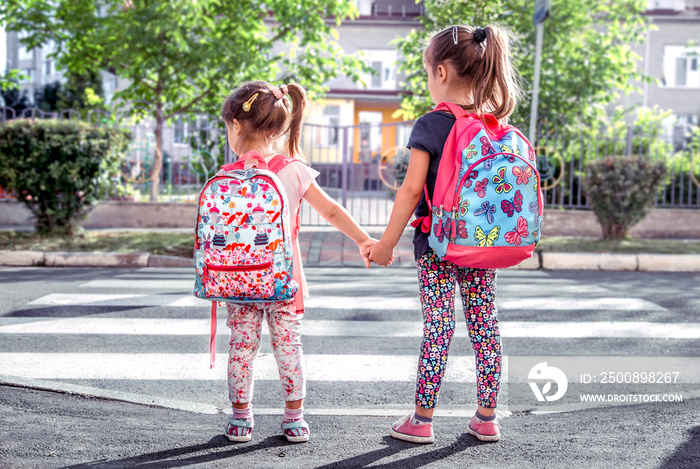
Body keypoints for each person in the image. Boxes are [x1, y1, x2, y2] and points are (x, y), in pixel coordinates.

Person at [368, 24, 523, 444]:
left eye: (426, 74)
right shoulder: (495, 125)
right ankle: (487, 416)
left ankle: (421, 420)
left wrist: (385, 245)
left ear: (440, 72)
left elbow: (411, 190)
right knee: (485, 323)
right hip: (483, 244)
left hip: (437, 245)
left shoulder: (432, 125)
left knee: (438, 327)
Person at [220, 81, 377, 443]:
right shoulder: (294, 170)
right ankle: (294, 419)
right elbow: (332, 211)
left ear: (237, 126)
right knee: (288, 344)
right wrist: (363, 240)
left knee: (242, 346)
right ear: (278, 127)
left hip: (239, 279)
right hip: (284, 277)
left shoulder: (227, 176)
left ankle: (241, 419)